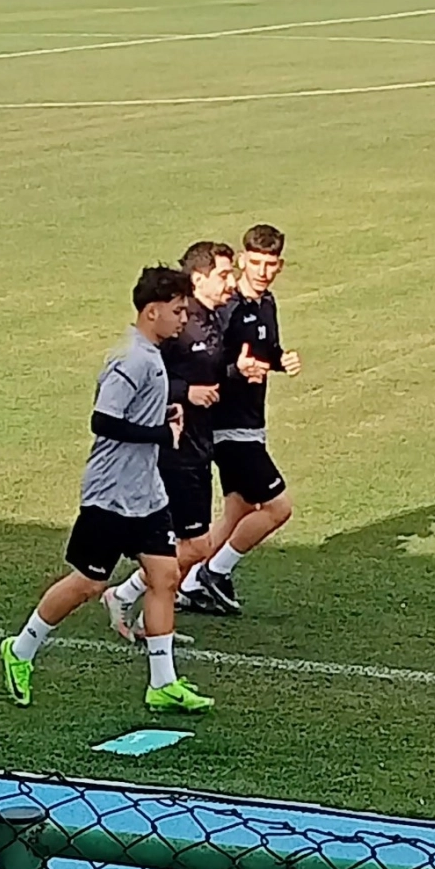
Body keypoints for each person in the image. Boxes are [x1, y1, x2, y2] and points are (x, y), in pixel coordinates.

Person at [0, 265, 214, 714]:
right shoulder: (132, 359)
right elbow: (103, 420)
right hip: (111, 495)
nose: (183, 319)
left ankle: (162, 683)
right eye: (177, 311)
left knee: (165, 576)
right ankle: (20, 649)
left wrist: (163, 413)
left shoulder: (151, 355)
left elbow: (132, 413)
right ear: (152, 312)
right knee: (88, 583)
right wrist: (160, 434)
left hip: (146, 494)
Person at [103, 241, 268, 636]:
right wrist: (186, 393)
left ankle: (148, 618)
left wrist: (236, 371)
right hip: (175, 449)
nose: (232, 282)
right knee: (193, 545)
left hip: (199, 444)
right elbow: (151, 377)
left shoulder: (212, 320)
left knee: (188, 544)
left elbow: (209, 371)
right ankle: (125, 598)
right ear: (199, 279)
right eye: (224, 274)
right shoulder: (177, 327)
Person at [180, 224, 300, 615]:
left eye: (271, 264)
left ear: (280, 265)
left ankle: (186, 583)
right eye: (256, 263)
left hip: (251, 421)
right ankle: (212, 573)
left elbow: (267, 349)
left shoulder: (267, 304)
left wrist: (281, 360)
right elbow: (209, 362)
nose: (263, 272)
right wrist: (237, 369)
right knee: (278, 507)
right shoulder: (227, 309)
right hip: (227, 427)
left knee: (238, 512)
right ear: (244, 260)